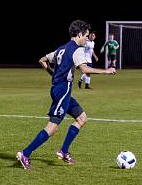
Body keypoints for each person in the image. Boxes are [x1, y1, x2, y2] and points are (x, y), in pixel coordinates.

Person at [16, 20, 116, 170]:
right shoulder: (77, 50)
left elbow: (42, 60)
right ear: (79, 34)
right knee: (53, 127)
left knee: (82, 118)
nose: (87, 39)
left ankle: (63, 151)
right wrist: (106, 71)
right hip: (62, 91)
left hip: (62, 89)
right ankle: (25, 153)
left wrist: (52, 73)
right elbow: (85, 69)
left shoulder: (61, 49)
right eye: (86, 36)